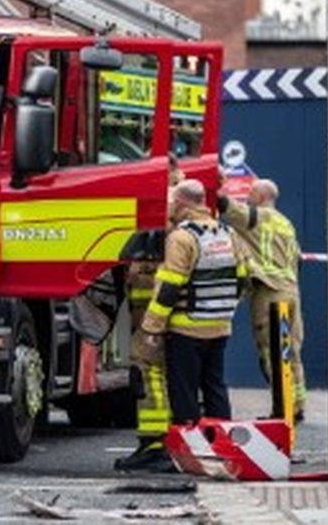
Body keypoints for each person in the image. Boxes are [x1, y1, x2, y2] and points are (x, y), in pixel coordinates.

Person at [139, 180, 248, 427]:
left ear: (180, 203)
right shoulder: (228, 233)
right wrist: (224, 307)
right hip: (219, 326)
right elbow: (242, 278)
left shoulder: (181, 237)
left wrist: (152, 327)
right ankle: (223, 440)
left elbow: (169, 287)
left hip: (186, 327)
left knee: (184, 388)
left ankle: (191, 443)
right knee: (215, 386)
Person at [114, 165, 185, 472]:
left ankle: (155, 443)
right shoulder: (179, 207)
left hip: (151, 317)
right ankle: (158, 441)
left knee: (149, 372)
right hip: (157, 314)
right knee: (158, 373)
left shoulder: (164, 207)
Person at [219, 179, 305, 420]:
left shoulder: (258, 218)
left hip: (270, 294)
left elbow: (229, 208)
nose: (248, 197)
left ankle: (282, 410)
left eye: (251, 193)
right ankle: (297, 405)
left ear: (262, 196)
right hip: (291, 291)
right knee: (292, 353)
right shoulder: (286, 223)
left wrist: (211, 190)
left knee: (272, 353)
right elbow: (298, 259)